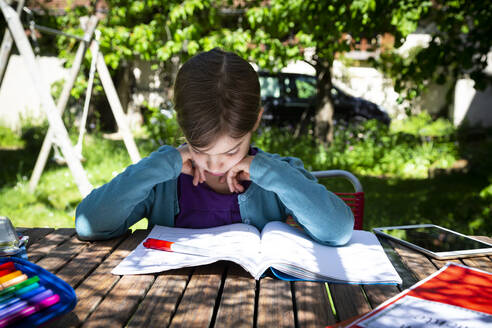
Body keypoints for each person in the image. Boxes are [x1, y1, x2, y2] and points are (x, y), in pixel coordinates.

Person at [75, 48, 354, 246]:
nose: (215, 164)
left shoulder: (277, 175)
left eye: (231, 151)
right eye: (199, 149)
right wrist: (164, 164)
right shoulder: (163, 180)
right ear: (183, 129)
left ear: (255, 121)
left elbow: (338, 231)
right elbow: (90, 224)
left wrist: (271, 174)